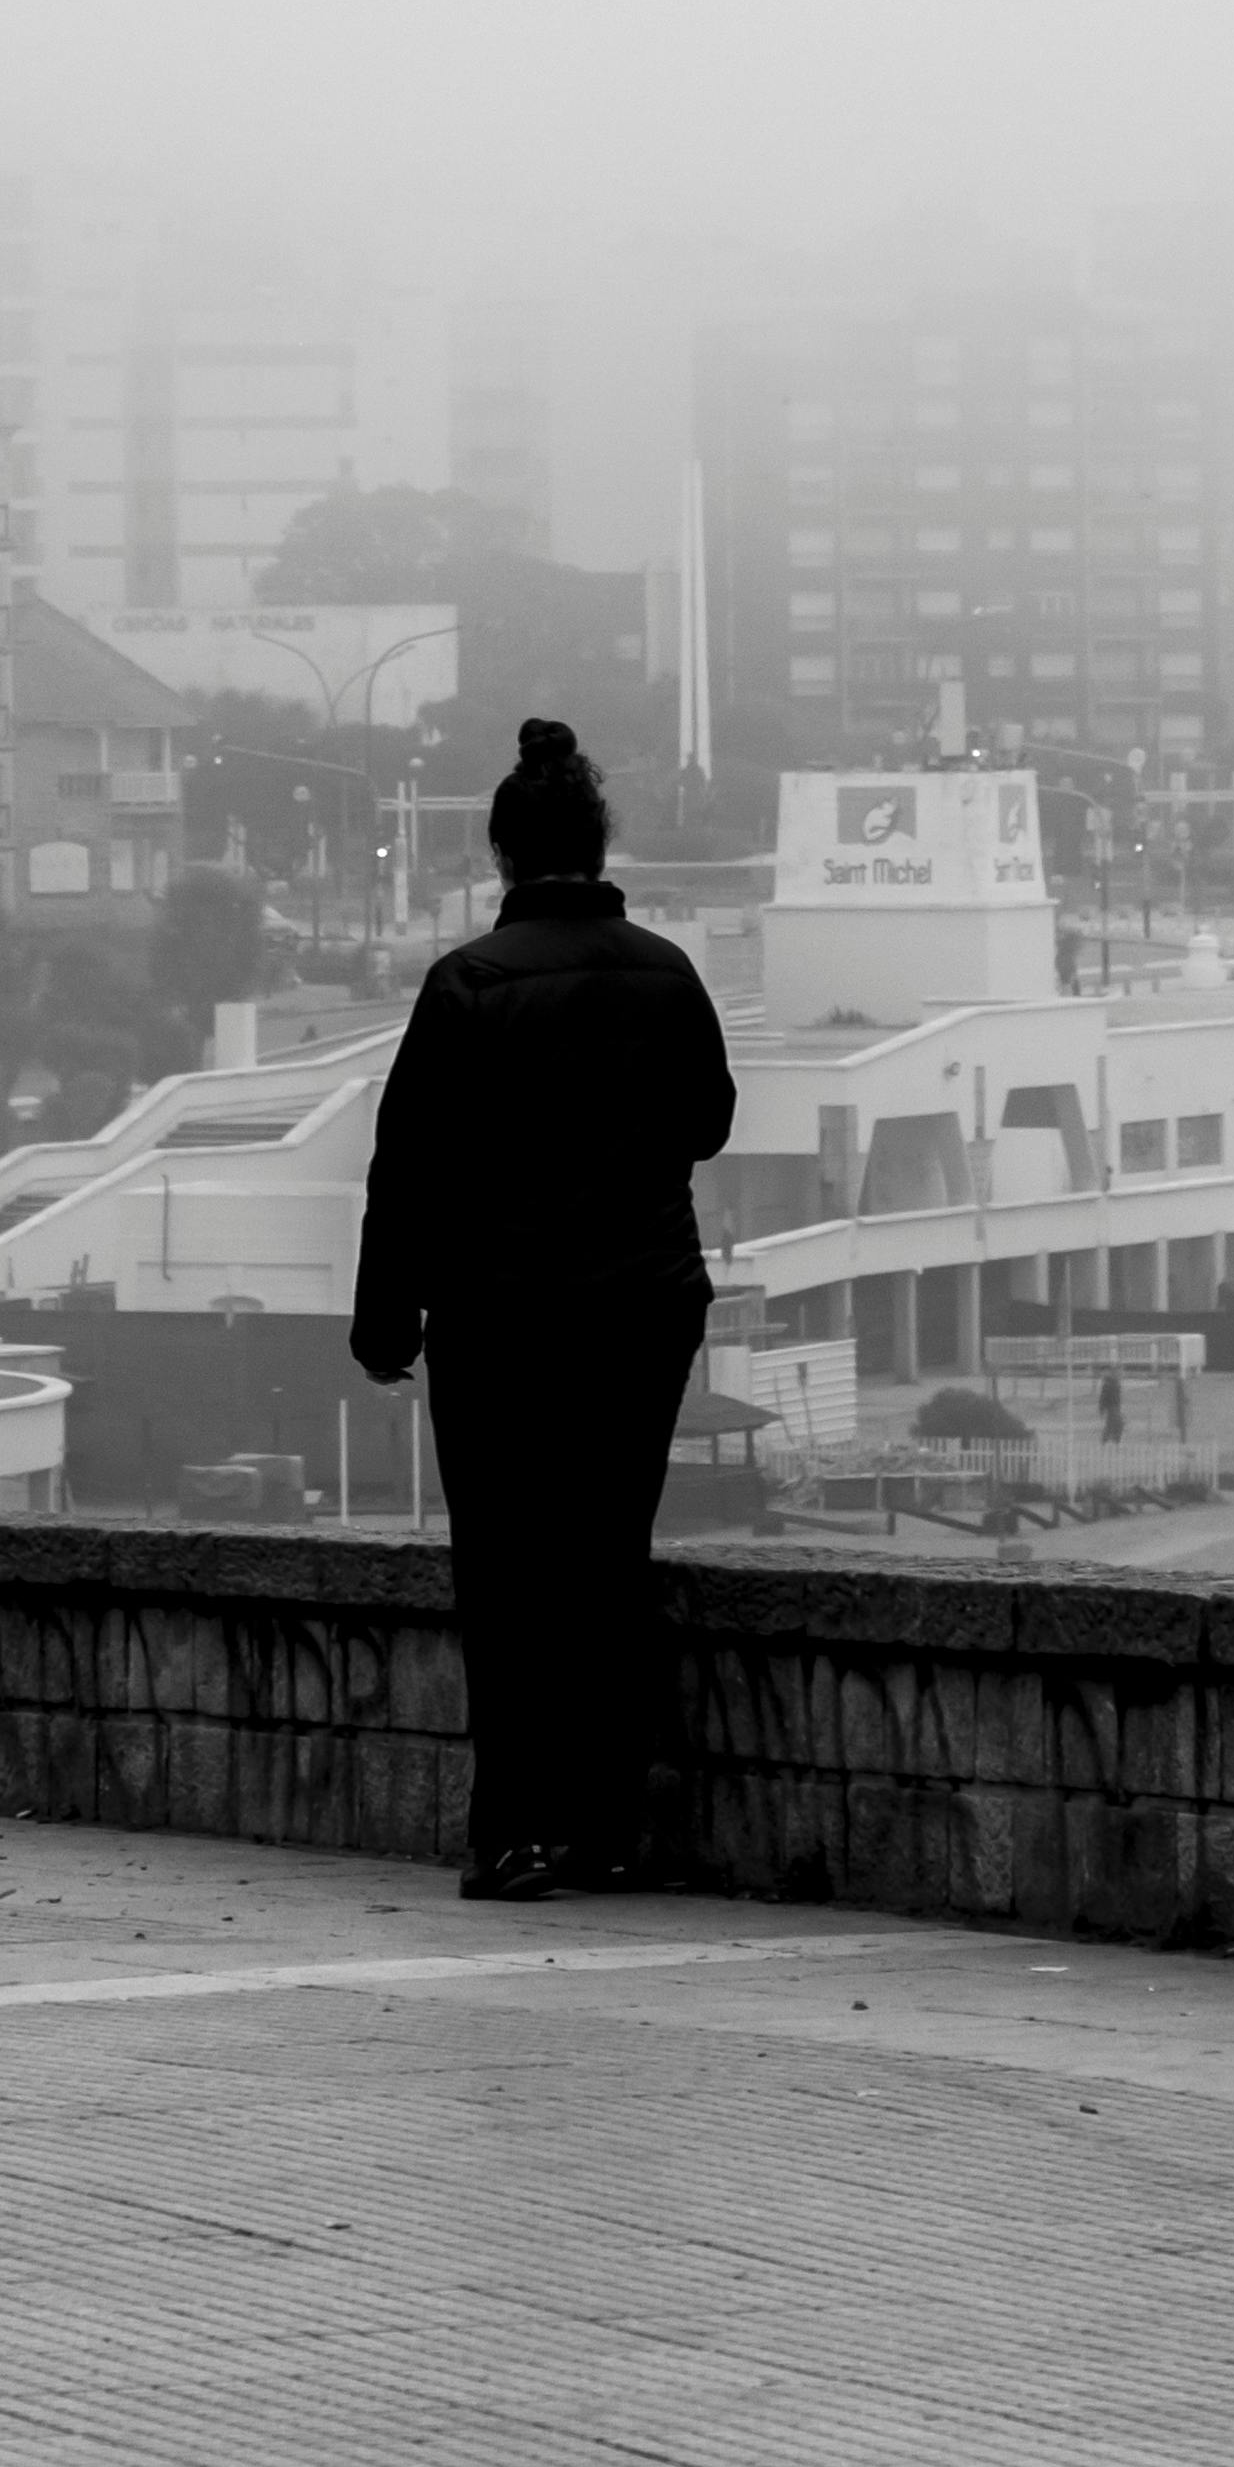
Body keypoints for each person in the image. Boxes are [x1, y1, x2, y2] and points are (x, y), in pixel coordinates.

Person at [350, 716, 736, 1904]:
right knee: (604, 1561)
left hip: (504, 1317)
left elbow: (405, 1165)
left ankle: (512, 1835)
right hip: (640, 1308)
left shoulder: (468, 985)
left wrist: (387, 1319)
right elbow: (708, 1123)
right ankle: (608, 1831)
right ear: (597, 839)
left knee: (509, 1573)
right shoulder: (668, 975)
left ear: (504, 854)